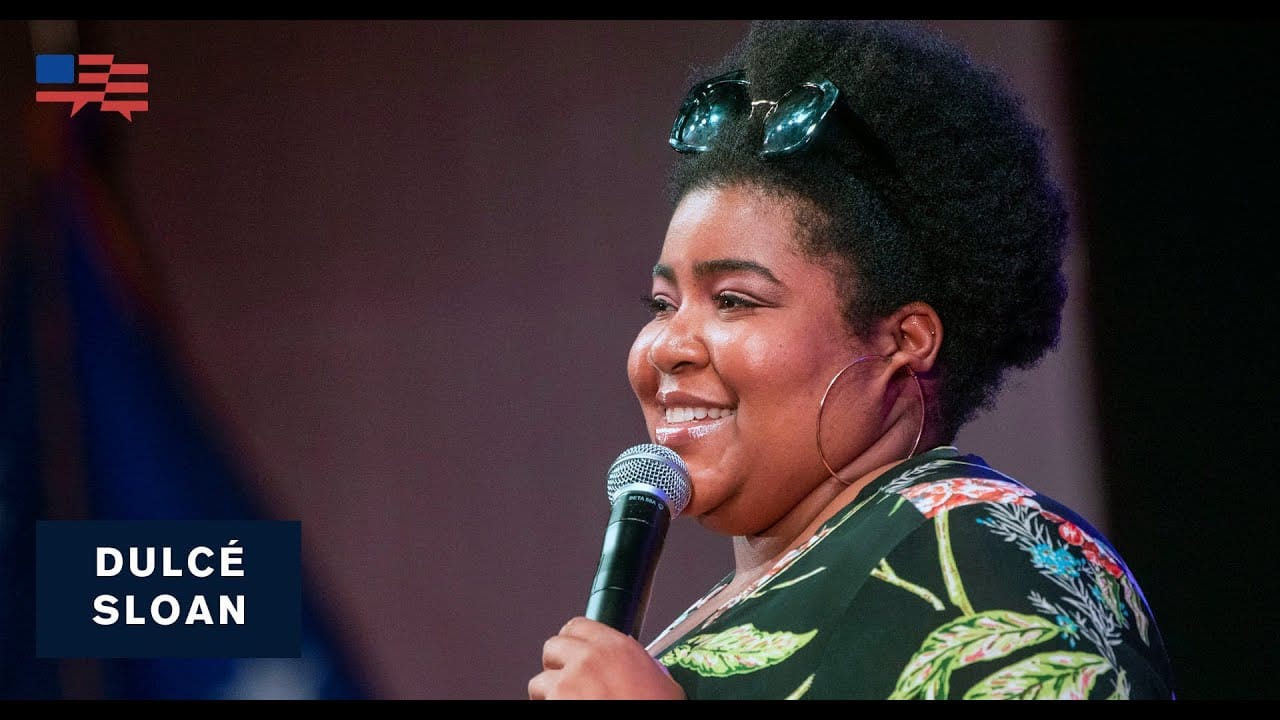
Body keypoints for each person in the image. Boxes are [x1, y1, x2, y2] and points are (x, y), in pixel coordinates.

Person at [527, 19, 1176, 700]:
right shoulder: (733, 605)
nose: (666, 347)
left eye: (735, 300)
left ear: (903, 341)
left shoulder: (992, 554)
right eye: (663, 303)